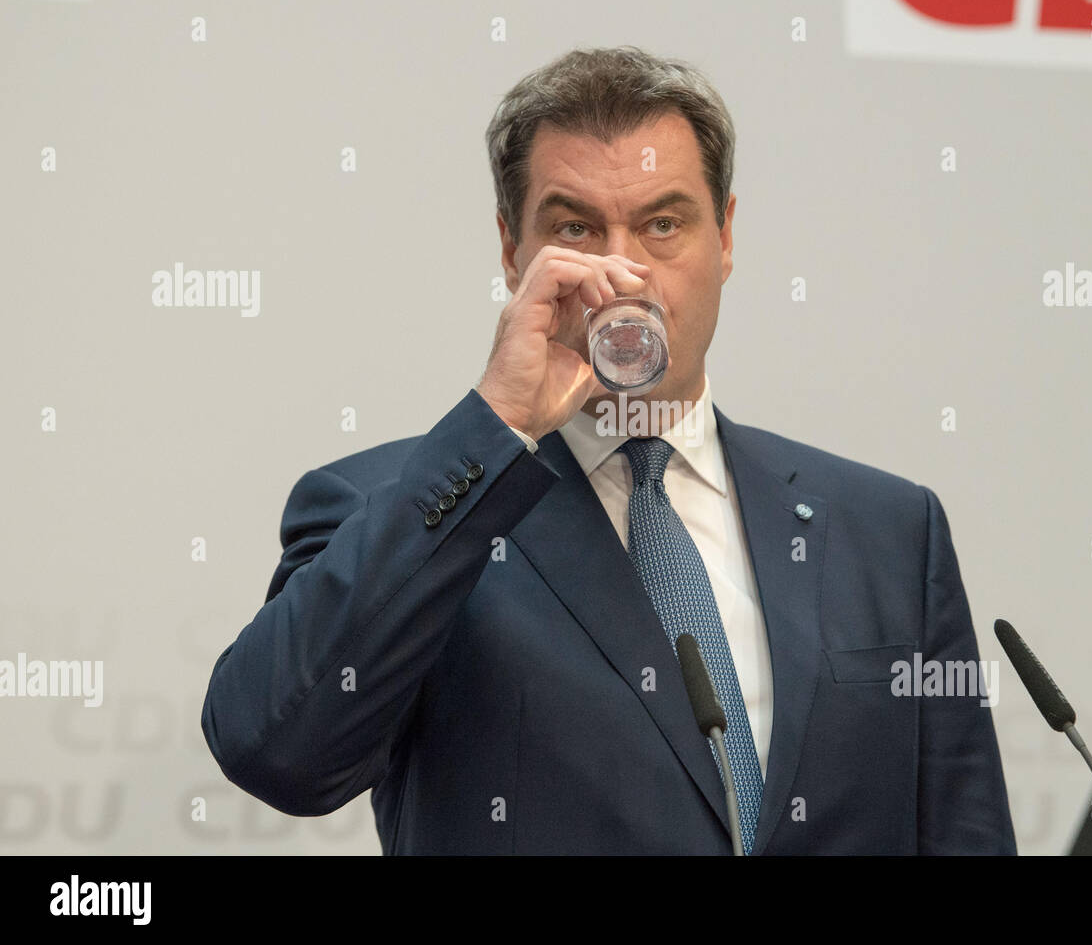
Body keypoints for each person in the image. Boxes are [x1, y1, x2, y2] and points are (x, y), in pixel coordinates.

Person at [200, 45, 1016, 855]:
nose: (623, 273)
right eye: (576, 229)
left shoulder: (888, 531)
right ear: (513, 251)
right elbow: (275, 751)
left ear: (726, 236)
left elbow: (964, 831)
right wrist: (498, 421)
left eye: (664, 224)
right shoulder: (393, 504)